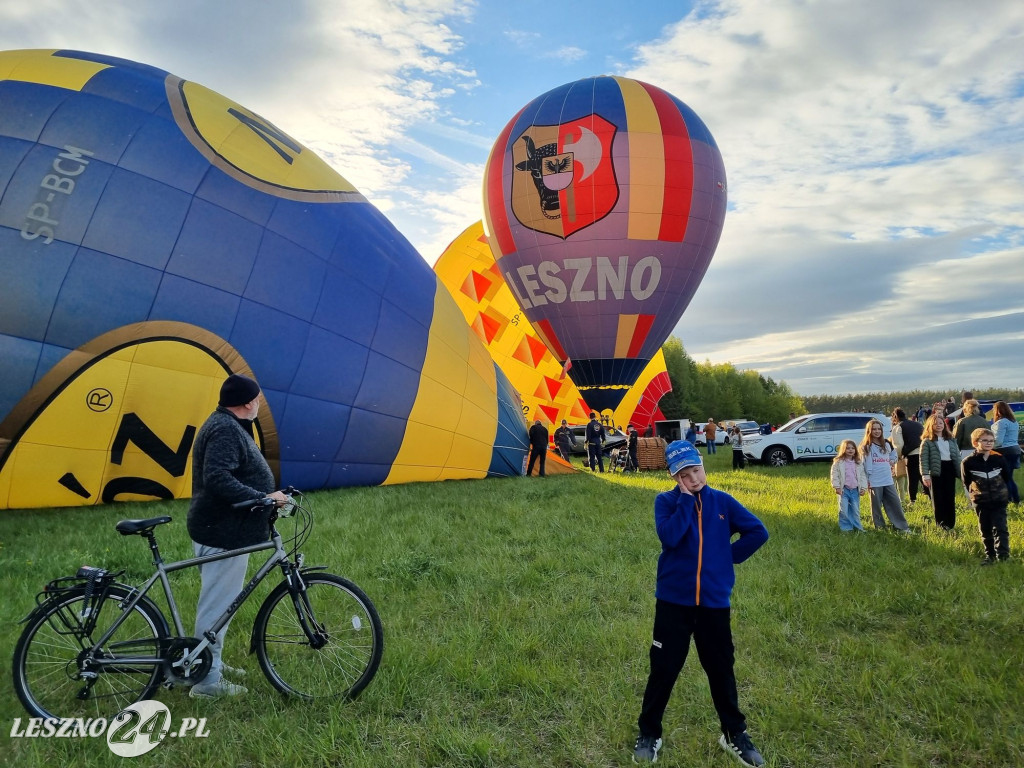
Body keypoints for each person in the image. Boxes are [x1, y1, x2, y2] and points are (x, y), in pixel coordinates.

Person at [633, 441, 768, 767]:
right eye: (684, 474)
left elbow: (757, 532)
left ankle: (734, 733)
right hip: (673, 602)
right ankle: (649, 733)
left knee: (721, 669)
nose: (693, 478)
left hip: (713, 604)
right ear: (673, 476)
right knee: (663, 669)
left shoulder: (722, 502)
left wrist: (725, 558)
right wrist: (683, 501)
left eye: (696, 470)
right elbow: (670, 536)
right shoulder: (665, 502)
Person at [187, 373, 288, 698]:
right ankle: (207, 681)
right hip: (221, 531)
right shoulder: (225, 430)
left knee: (222, 603)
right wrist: (264, 498)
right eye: (257, 398)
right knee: (217, 606)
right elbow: (217, 477)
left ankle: (206, 660)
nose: (259, 402)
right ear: (247, 403)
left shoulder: (227, 424)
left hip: (224, 529)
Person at [961, 428, 1012, 564]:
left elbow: (1007, 477)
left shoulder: (999, 459)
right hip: (981, 501)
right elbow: (967, 481)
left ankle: (1003, 555)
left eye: (991, 441)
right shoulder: (968, 462)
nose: (989, 443)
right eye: (985, 440)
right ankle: (990, 555)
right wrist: (974, 496)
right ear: (975, 442)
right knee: (985, 528)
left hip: (999, 499)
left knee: (1001, 527)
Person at [858, 419, 910, 531]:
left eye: (879, 429)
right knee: (876, 505)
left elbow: (894, 455)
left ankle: (902, 526)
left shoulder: (886, 444)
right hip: (873, 480)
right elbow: (862, 465)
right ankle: (880, 527)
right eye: (874, 429)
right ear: (869, 431)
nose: (877, 431)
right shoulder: (866, 446)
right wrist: (864, 481)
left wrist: (892, 460)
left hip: (887, 479)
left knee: (895, 503)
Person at [920, 413, 962, 530]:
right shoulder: (927, 442)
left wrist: (962, 473)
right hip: (936, 472)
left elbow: (957, 458)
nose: (938, 425)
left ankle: (950, 523)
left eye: (940, 423)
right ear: (930, 425)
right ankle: (941, 523)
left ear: (944, 424)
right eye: (935, 423)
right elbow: (923, 460)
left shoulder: (951, 440)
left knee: (950, 496)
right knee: (938, 498)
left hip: (950, 469)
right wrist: (925, 475)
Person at [830, 439, 867, 531]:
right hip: (844, 490)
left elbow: (862, 475)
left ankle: (858, 527)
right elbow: (834, 475)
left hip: (855, 490)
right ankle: (846, 528)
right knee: (844, 510)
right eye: (847, 448)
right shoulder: (838, 462)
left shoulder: (858, 463)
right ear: (843, 449)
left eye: (852, 448)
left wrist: (863, 487)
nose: (850, 450)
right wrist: (837, 486)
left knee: (855, 510)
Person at [891, 408, 925, 503]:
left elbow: (899, 445)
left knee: (912, 478)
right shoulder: (918, 424)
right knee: (924, 476)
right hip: (924, 453)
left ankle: (913, 500)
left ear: (895, 417)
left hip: (912, 454)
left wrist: (899, 456)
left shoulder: (898, 427)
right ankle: (931, 496)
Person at [991, 401, 1020, 505]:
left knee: (1005, 478)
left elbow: (998, 441)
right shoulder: (1013, 422)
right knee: (1009, 476)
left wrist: (989, 447)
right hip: (1015, 449)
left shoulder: (1001, 423)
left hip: (1004, 451)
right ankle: (1015, 499)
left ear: (997, 411)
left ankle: (1009, 500)